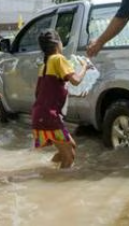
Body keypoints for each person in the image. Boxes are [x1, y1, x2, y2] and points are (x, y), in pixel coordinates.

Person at [32, 29, 89, 169]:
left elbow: (41, 93)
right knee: (69, 156)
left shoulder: (44, 65)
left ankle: (48, 170)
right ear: (58, 43)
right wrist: (85, 67)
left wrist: (73, 95)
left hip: (39, 115)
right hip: (49, 116)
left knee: (70, 148)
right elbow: (75, 80)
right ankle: (59, 184)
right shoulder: (58, 59)